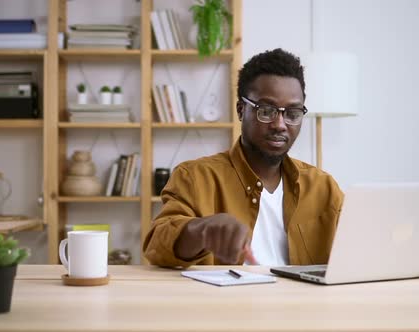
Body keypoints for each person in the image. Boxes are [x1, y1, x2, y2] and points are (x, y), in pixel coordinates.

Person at [143, 48, 343, 267]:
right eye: (266, 111)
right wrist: (203, 230)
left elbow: (357, 256)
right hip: (226, 301)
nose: (280, 124)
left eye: (292, 113)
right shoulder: (195, 177)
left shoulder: (323, 188)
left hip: (302, 301)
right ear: (241, 110)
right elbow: (156, 245)